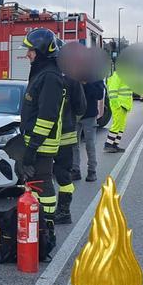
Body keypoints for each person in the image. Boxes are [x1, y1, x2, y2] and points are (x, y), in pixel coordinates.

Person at [19, 29, 66, 259]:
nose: (27, 54)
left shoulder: (50, 78)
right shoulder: (42, 73)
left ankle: (47, 233)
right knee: (35, 188)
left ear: (40, 52)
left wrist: (32, 148)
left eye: (30, 50)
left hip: (42, 145)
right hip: (36, 143)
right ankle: (37, 231)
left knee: (44, 187)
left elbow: (46, 117)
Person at [53, 65, 86, 225]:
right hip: (66, 135)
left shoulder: (44, 76)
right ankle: (64, 211)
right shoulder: (73, 80)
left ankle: (47, 212)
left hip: (45, 136)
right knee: (63, 174)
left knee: (42, 173)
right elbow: (81, 108)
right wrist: (70, 121)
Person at [73, 79, 105, 182]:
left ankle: (92, 170)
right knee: (73, 144)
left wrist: (86, 83)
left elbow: (99, 94)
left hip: (89, 115)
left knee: (90, 144)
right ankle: (75, 170)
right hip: (74, 114)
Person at [104, 67, 133, 153]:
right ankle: (108, 145)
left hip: (124, 105)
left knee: (121, 126)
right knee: (117, 125)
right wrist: (117, 105)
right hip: (119, 105)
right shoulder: (118, 75)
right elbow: (112, 91)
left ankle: (115, 145)